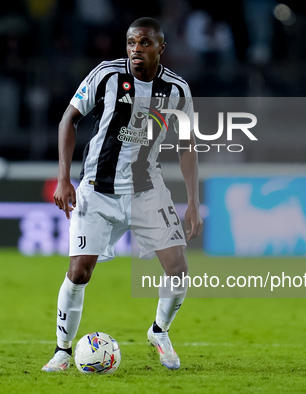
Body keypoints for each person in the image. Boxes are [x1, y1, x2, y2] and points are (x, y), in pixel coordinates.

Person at [42, 17, 203, 372]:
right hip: (98, 190)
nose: (135, 50)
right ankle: (62, 351)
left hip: (147, 190)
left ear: (161, 48)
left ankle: (159, 332)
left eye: (144, 43)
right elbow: (68, 119)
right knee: (80, 272)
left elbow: (187, 146)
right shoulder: (106, 75)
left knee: (178, 269)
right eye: (131, 43)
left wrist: (192, 202)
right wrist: (63, 178)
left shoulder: (177, 90)